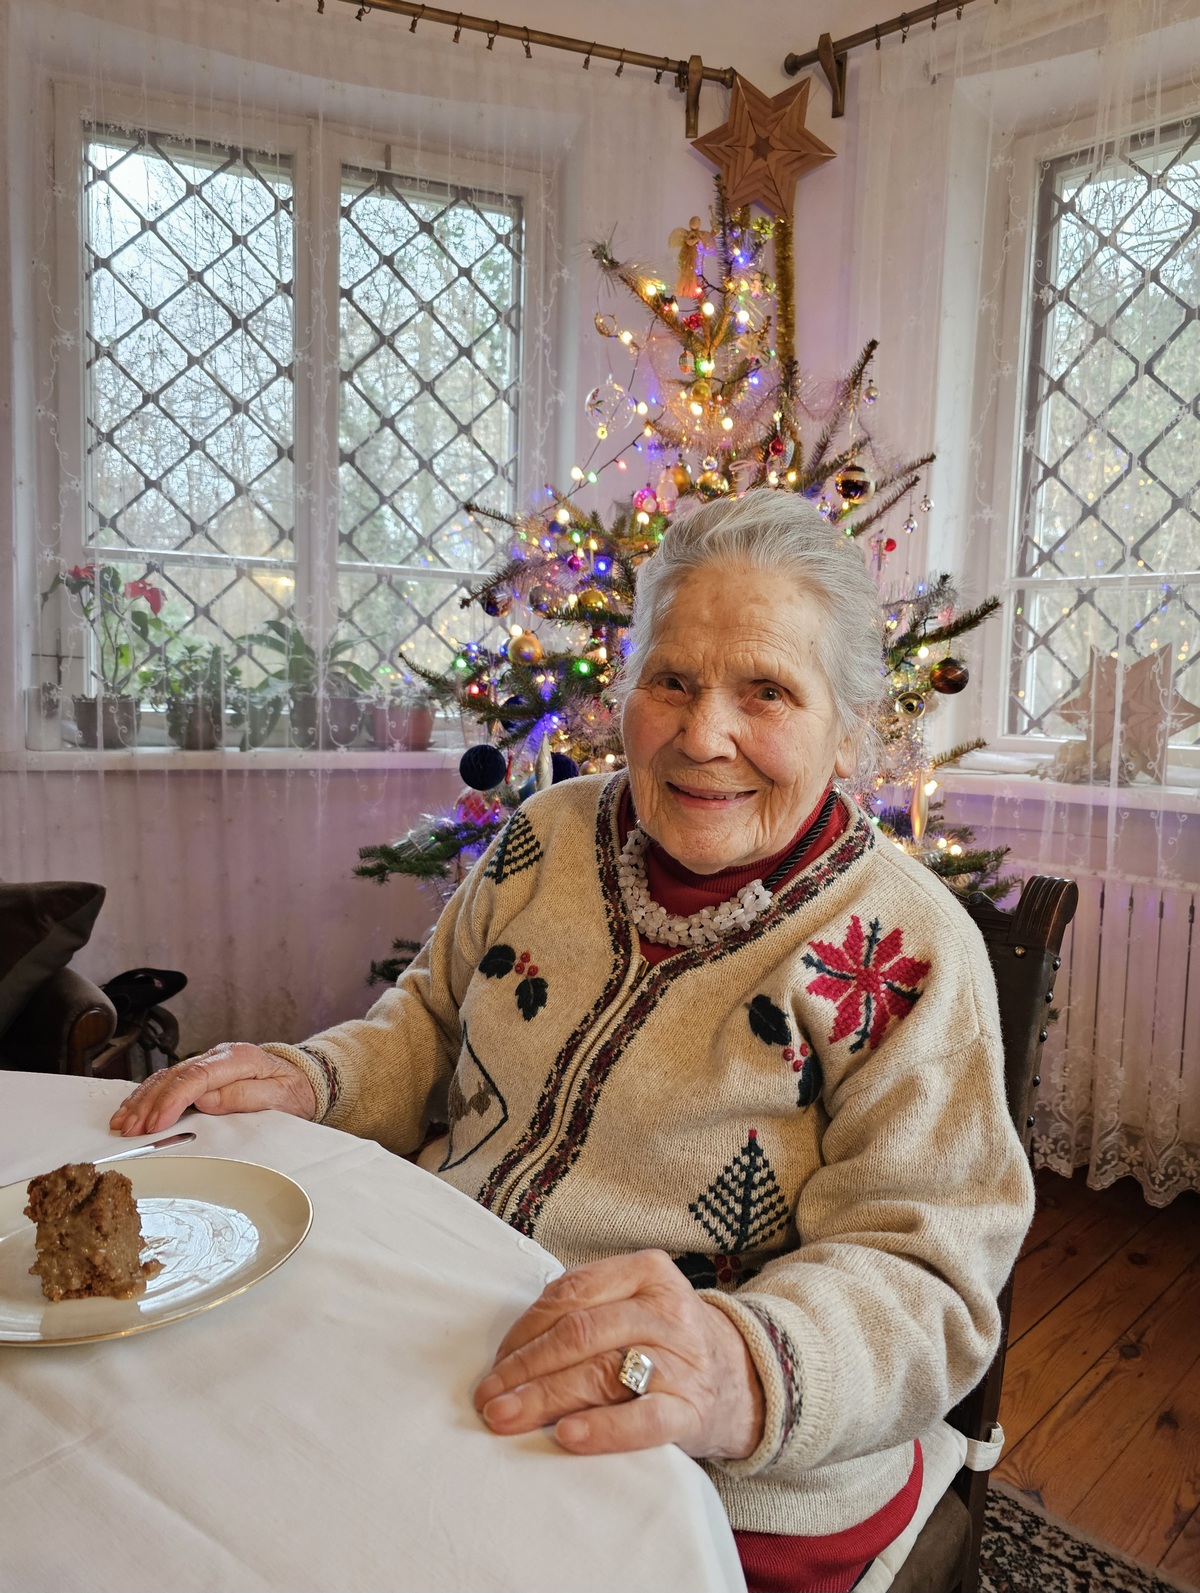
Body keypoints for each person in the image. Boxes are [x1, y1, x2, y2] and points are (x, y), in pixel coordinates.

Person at [111, 491, 1033, 1593]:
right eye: (672, 682)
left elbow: (927, 1271)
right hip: (437, 1341)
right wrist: (309, 1077)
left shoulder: (906, 950)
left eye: (768, 692)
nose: (703, 735)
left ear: (849, 730)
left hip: (716, 1470)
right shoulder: (543, 840)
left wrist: (739, 1363)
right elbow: (426, 1028)